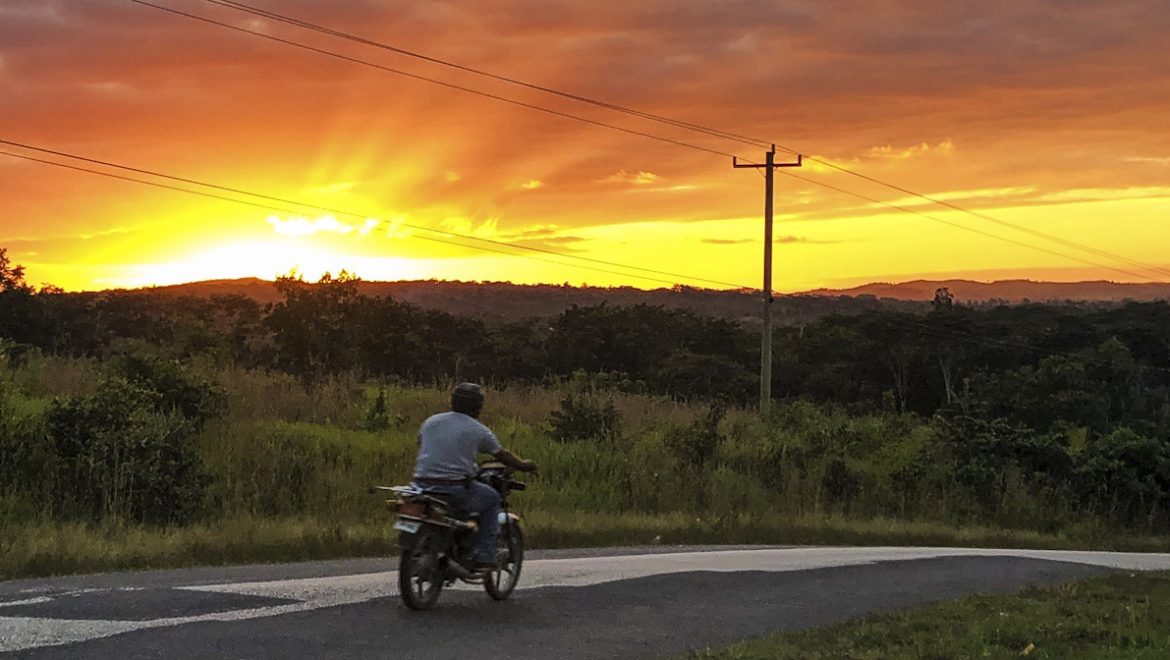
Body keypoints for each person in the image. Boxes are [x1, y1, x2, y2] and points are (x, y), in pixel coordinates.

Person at [411, 382, 536, 571]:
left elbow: (421, 442)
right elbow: (502, 454)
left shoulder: (431, 421)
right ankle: (484, 556)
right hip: (453, 488)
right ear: (477, 405)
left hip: (420, 486)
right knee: (492, 499)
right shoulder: (478, 429)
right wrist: (523, 465)